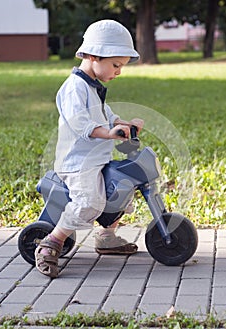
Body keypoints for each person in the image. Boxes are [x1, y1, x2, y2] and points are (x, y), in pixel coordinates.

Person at [35, 19, 144, 278]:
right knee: (90, 201)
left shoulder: (92, 86)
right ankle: (52, 242)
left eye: (121, 66)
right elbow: (80, 123)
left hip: (95, 160)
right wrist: (108, 133)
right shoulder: (74, 87)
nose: (119, 71)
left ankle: (106, 237)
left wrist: (122, 123)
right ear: (94, 56)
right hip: (77, 164)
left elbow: (105, 114)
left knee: (122, 187)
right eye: (116, 65)